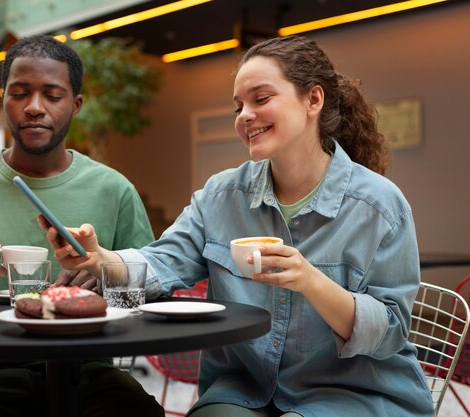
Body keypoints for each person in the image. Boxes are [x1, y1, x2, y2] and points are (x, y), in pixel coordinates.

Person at [42, 35, 434, 417]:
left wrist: (310, 280)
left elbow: (390, 332)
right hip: (246, 387)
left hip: (353, 393)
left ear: (313, 99)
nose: (245, 115)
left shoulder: (379, 205)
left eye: (261, 99)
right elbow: (163, 261)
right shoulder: (221, 195)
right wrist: (98, 259)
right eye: (238, 106)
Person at [0, 34, 164, 417]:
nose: (34, 108)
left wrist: (107, 280)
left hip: (89, 371)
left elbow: (150, 291)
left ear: (75, 105)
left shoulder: (114, 189)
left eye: (52, 96)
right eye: (20, 92)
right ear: (4, 98)